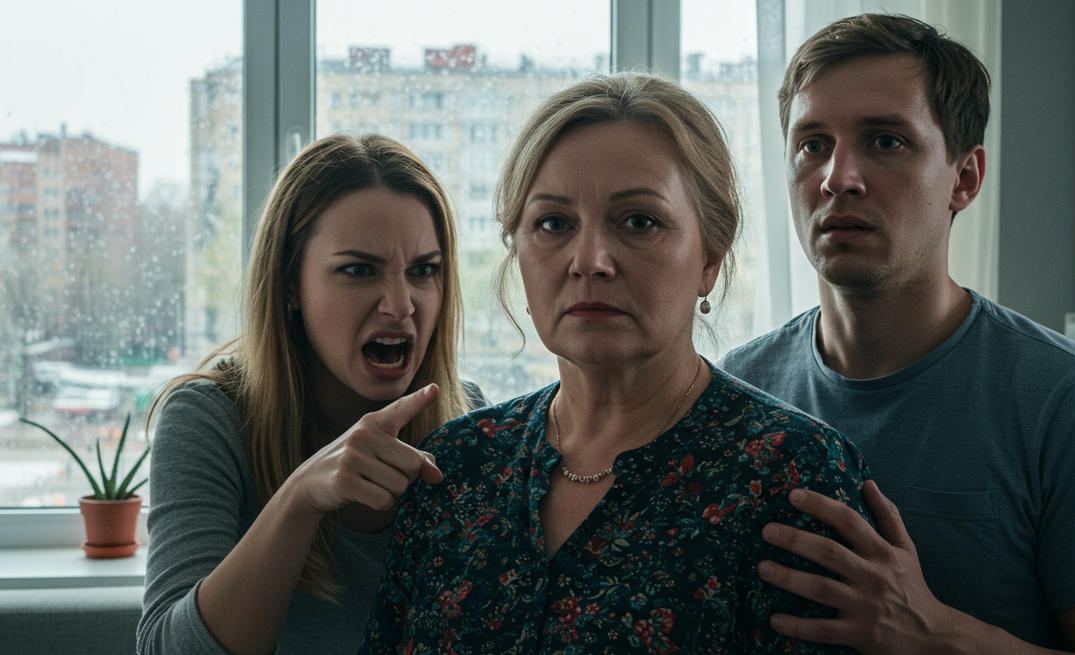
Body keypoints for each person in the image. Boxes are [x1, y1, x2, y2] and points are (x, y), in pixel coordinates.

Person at [718, 13, 1075, 654]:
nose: (837, 178)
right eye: (813, 144)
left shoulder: (1069, 399)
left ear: (963, 179)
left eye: (885, 141)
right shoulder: (737, 388)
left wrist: (935, 635)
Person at [359, 73, 871, 653]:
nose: (590, 261)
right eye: (553, 224)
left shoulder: (794, 475)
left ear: (710, 258)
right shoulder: (454, 467)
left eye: (639, 222)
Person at [137, 134, 487, 655]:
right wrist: (301, 499)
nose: (400, 305)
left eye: (423, 271)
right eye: (358, 270)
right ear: (288, 285)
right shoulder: (208, 419)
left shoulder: (466, 417)